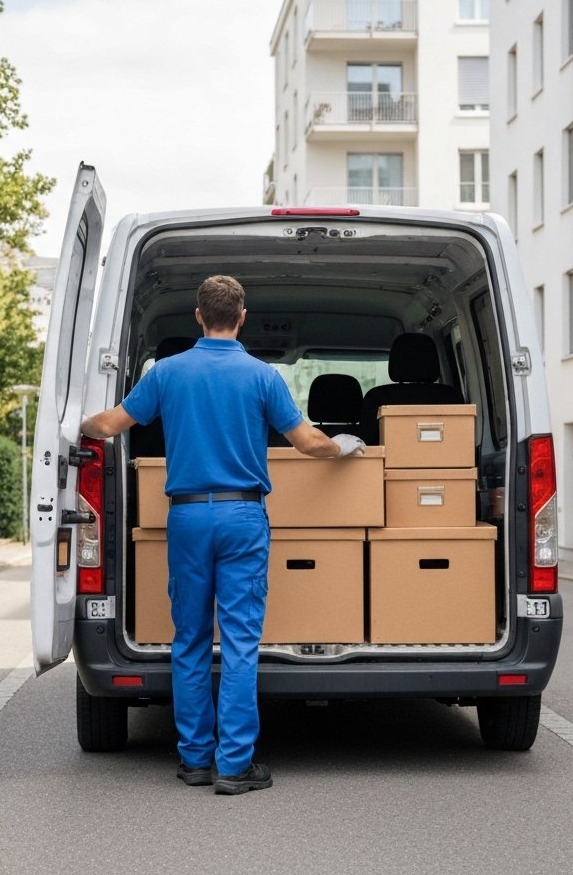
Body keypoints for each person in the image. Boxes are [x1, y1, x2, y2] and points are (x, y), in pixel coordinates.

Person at [80, 275, 365, 795]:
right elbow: (307, 443)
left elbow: (108, 425)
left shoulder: (165, 373)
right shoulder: (262, 376)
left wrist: (69, 423)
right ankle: (233, 766)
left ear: (197, 315)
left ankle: (194, 760)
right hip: (241, 518)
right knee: (238, 642)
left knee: (189, 638)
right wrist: (344, 446)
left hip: (186, 518)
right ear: (242, 316)